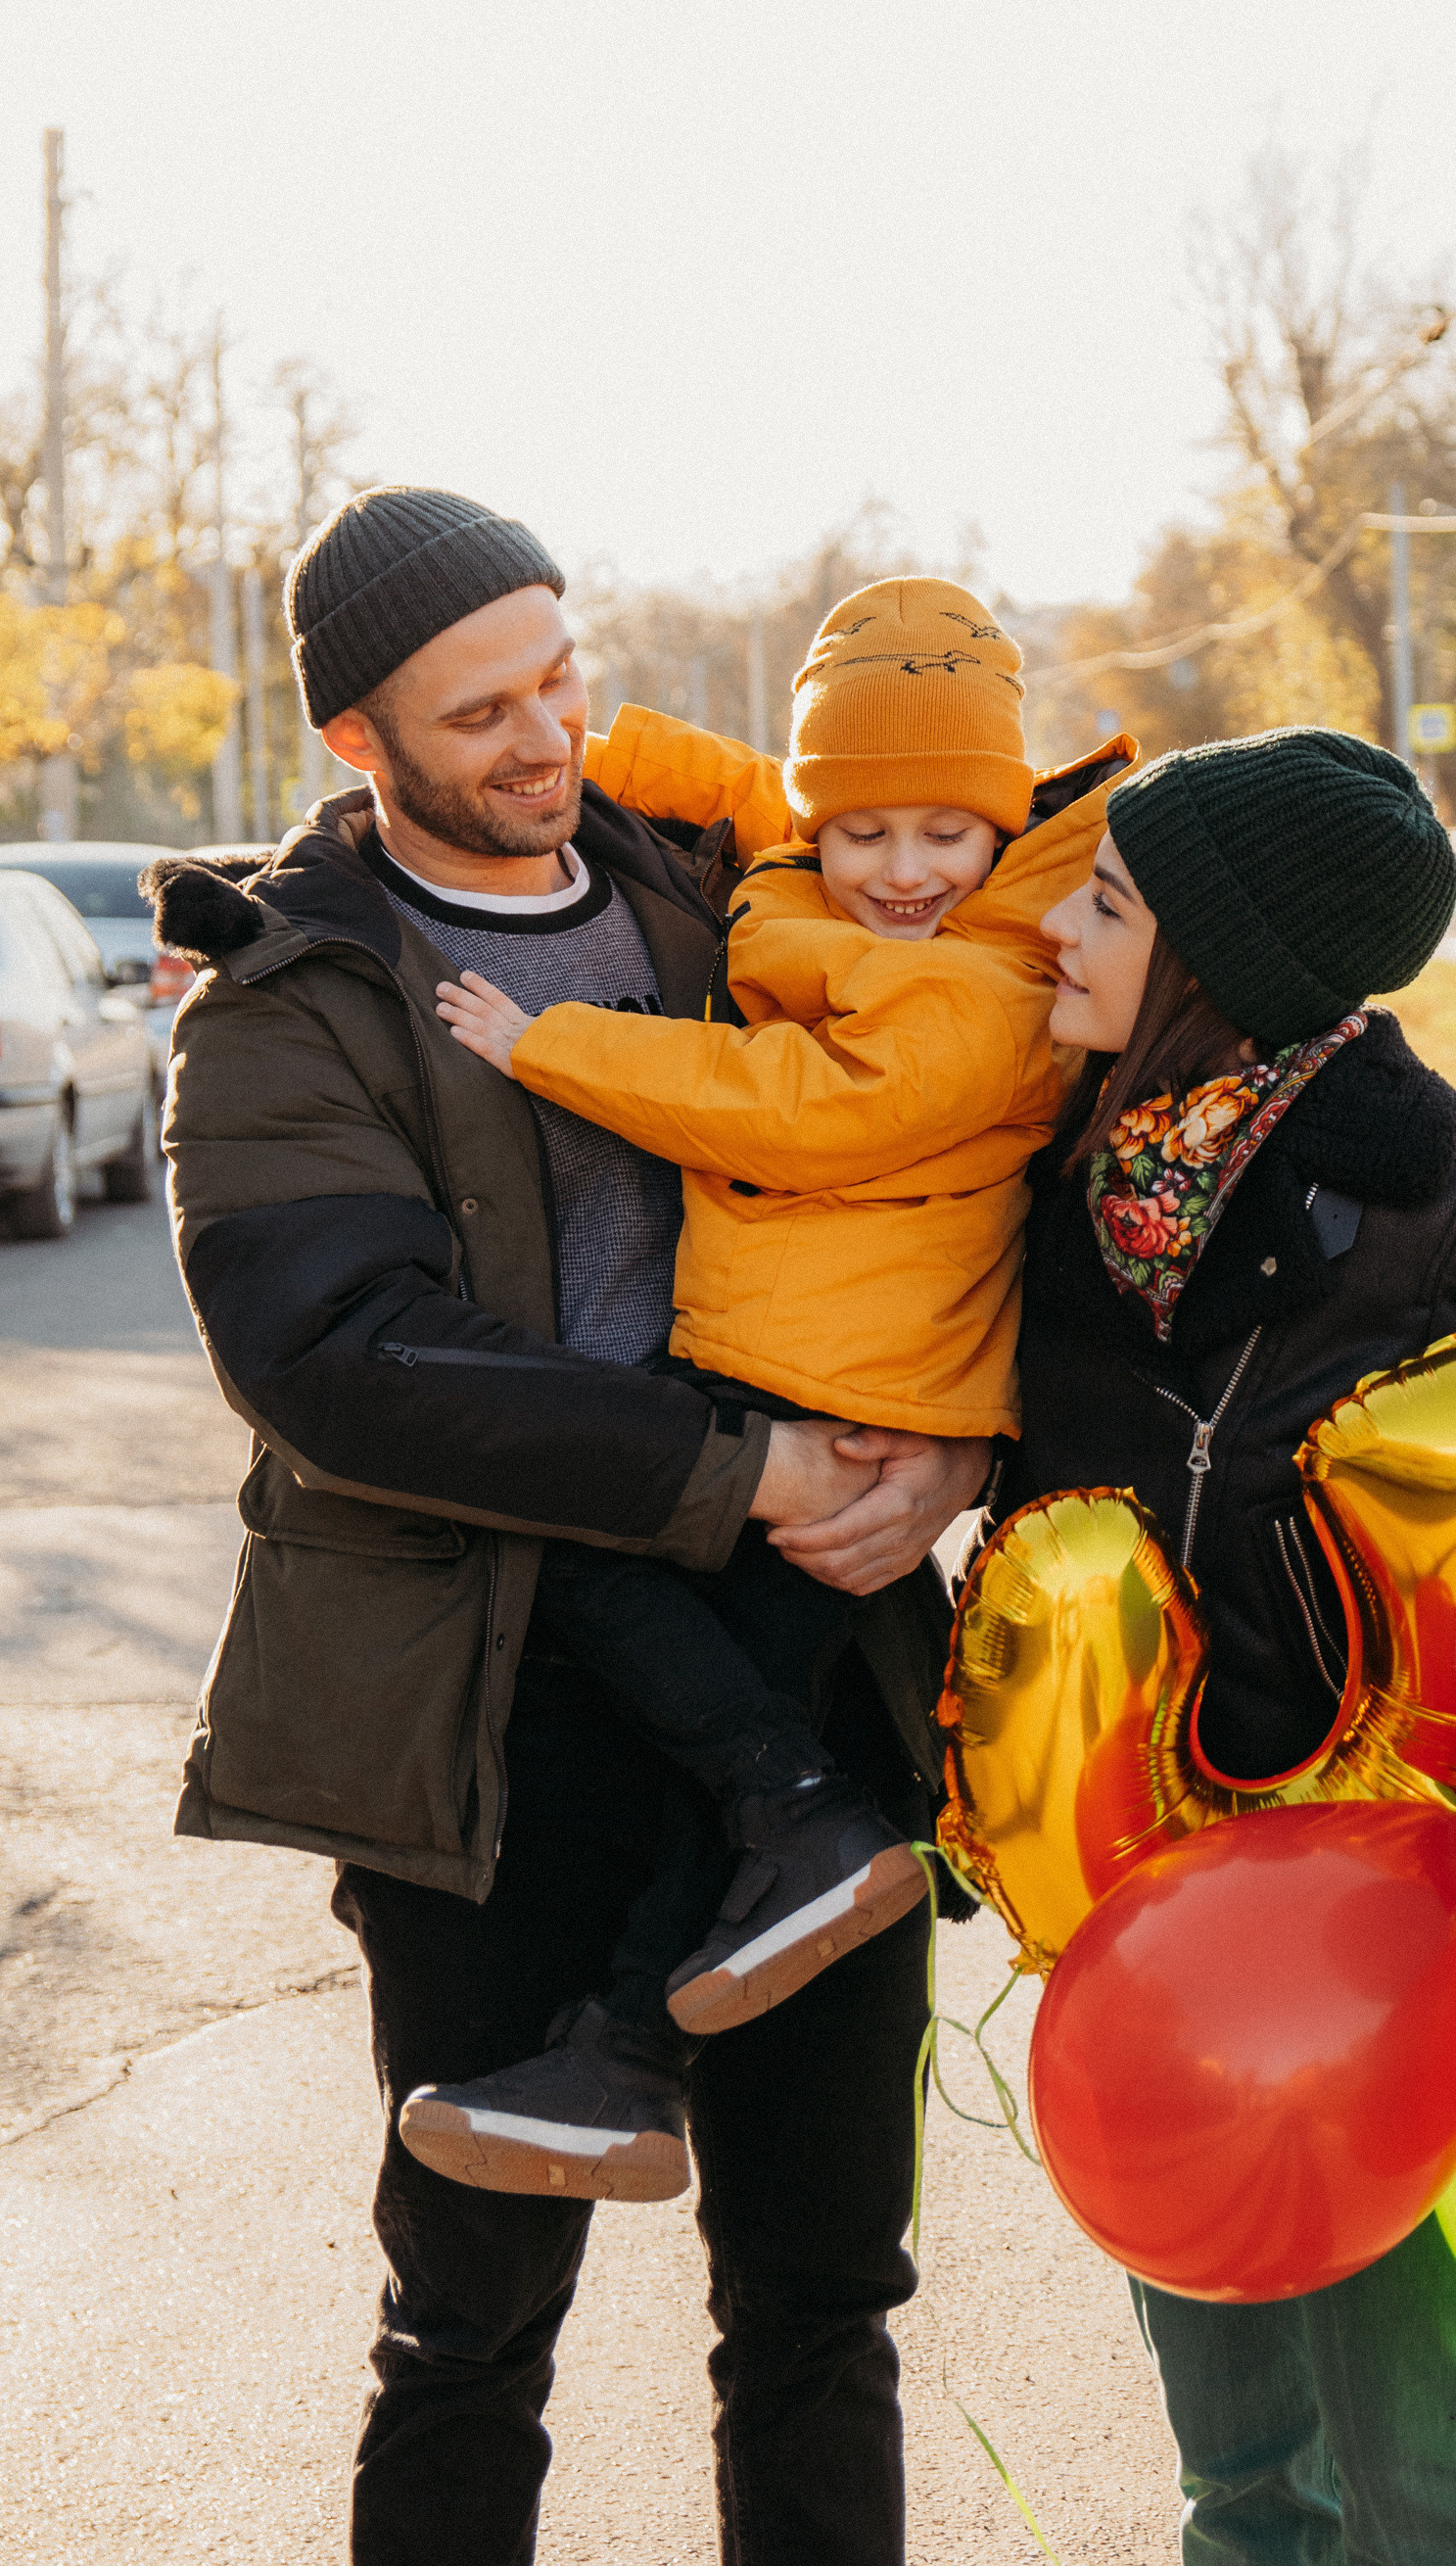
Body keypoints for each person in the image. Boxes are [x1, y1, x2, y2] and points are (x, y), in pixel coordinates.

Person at [151, 485, 990, 2566]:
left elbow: (976, 1151)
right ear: (360, 742)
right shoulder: (289, 999)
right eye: (482, 714)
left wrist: (946, 1455)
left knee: (821, 2310)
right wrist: (740, 1472)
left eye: (563, 678)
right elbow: (343, 1360)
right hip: (494, 1727)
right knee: (466, 2336)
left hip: (815, 1686)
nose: (550, 741)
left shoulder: (737, 901)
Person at [405, 578, 1129, 2164]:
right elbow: (756, 794)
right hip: (784, 1362)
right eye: (865, 833)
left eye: (948, 832)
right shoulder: (823, 857)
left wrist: (553, 1044)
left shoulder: (986, 994)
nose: (902, 872)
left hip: (850, 1398)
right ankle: (636, 2051)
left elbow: (787, 1101)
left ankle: (692, 1966)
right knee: (726, 1761)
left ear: (1004, 827)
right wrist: (597, 741)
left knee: (610, 1572)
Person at [994, 724, 1456, 2566]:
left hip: (1368, 1932)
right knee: (1244, 2487)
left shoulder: (1450, 1231)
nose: (1054, 933)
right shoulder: (1057, 1199)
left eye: (1104, 902)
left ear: (1218, 966)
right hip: (1145, 1921)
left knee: (1433, 2482)